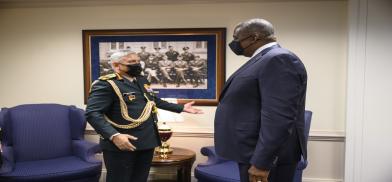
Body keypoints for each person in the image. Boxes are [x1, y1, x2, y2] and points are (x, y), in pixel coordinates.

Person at [214, 18, 307, 182]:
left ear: (254, 37)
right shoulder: (264, 58)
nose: (234, 44)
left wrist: (262, 162)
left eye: (237, 38)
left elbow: (278, 118)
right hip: (250, 152)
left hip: (264, 158)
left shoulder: (278, 59)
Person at [86, 51, 202, 182]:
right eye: (131, 62)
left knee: (140, 179)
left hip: (147, 141)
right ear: (116, 65)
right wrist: (114, 135)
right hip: (122, 143)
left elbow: (153, 101)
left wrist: (181, 108)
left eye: (137, 61)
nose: (137, 64)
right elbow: (92, 113)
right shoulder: (107, 84)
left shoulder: (141, 80)